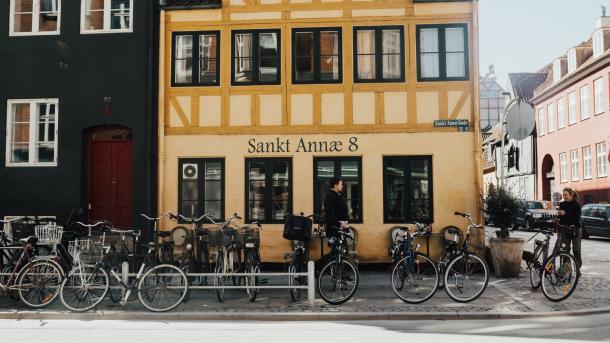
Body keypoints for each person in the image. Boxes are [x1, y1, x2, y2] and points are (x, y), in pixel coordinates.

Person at [558, 187, 582, 269]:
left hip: (575, 230)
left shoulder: (577, 205)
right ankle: (567, 269)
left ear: (571, 195)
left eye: (566, 195)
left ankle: (577, 269)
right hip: (564, 229)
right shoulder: (562, 204)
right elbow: (561, 219)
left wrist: (565, 213)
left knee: (576, 251)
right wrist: (558, 215)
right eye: (563, 195)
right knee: (565, 250)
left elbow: (576, 219)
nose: (564, 196)